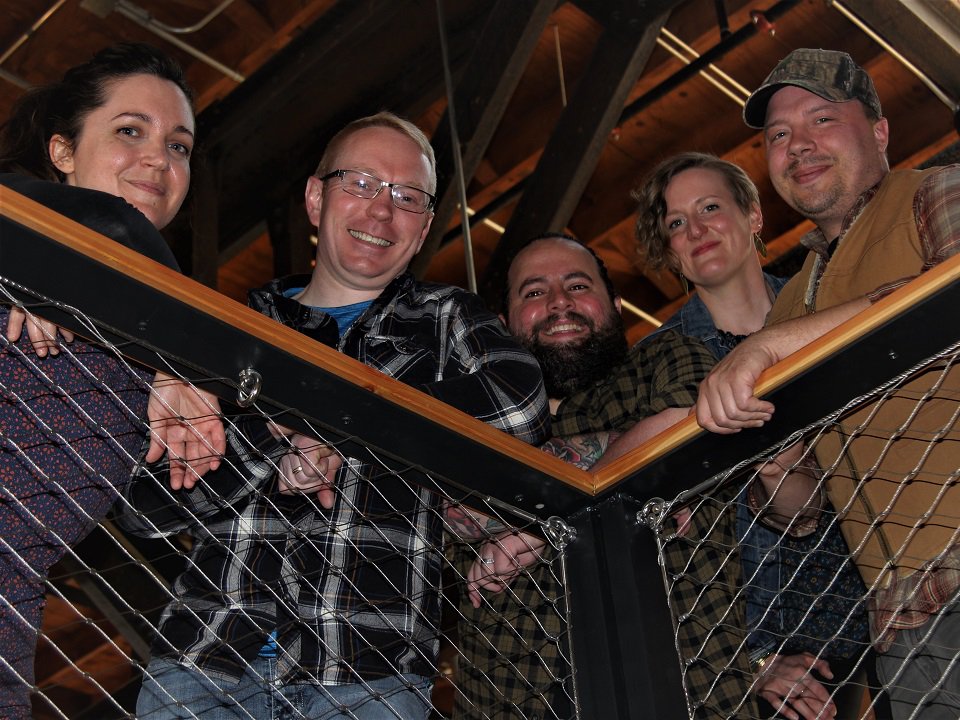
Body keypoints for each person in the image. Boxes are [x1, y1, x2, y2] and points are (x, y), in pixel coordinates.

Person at [116, 111, 550, 720]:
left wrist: (337, 422)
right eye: (361, 184)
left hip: (369, 670)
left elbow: (519, 407)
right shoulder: (229, 327)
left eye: (407, 197)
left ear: (423, 227)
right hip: (206, 658)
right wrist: (275, 438)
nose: (381, 211)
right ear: (316, 198)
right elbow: (146, 503)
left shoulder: (447, 318)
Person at [694, 48, 960, 719]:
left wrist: (766, 347)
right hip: (902, 620)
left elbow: (951, 291)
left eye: (821, 119)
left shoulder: (935, 190)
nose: (797, 145)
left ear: (878, 131)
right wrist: (778, 471)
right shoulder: (792, 304)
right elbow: (808, 510)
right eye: (778, 135)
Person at [0, 43, 225, 719]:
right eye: (131, 131)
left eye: (179, 146)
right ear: (62, 152)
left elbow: (160, 514)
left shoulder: (155, 352)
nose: (160, 158)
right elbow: (111, 225)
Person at [446, 233, 756, 719]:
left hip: (687, 685)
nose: (558, 303)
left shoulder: (665, 358)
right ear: (504, 323)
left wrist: (536, 526)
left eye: (577, 285)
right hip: (510, 693)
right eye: (533, 292)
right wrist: (629, 455)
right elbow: (452, 507)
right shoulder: (473, 412)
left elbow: (692, 425)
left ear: (613, 305)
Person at [635, 151, 880, 720]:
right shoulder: (655, 365)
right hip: (767, 659)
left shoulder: (829, 306)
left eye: (711, 207)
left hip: (880, 610)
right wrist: (749, 658)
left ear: (753, 217)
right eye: (675, 223)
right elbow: (661, 544)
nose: (694, 229)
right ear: (669, 249)